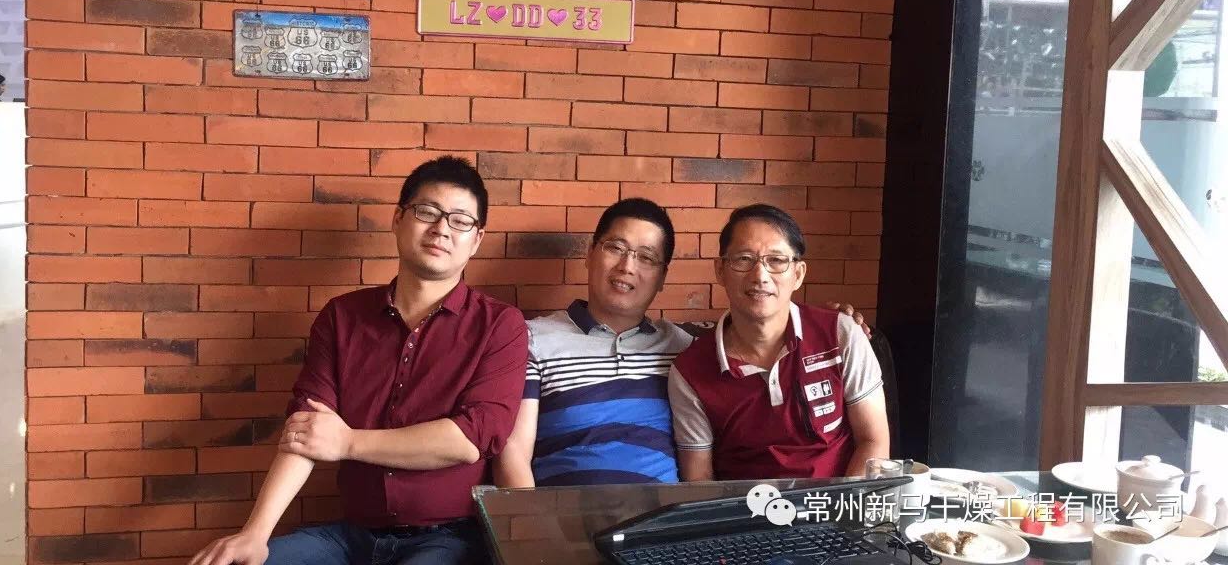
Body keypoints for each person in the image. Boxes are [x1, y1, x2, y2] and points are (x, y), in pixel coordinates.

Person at [188, 156, 528, 565]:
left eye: (460, 221)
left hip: (449, 538)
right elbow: (307, 430)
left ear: (476, 240)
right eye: (427, 212)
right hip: (352, 537)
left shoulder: (500, 325)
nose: (441, 229)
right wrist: (255, 534)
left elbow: (471, 440)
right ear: (398, 219)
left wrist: (348, 442)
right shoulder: (342, 317)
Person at [493, 199, 872, 488]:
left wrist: (838, 324)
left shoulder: (685, 350)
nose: (627, 266)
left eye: (646, 257)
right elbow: (513, 453)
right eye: (616, 248)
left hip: (659, 524)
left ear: (661, 278)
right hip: (564, 517)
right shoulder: (532, 339)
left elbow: (758, 333)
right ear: (590, 254)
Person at [668, 204, 889, 482]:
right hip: (746, 507)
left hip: (835, 502)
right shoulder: (690, 371)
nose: (760, 276)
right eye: (744, 259)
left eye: (776, 260)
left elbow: (873, 441)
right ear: (720, 270)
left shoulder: (840, 334)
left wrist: (844, 505)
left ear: (798, 274)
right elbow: (699, 479)